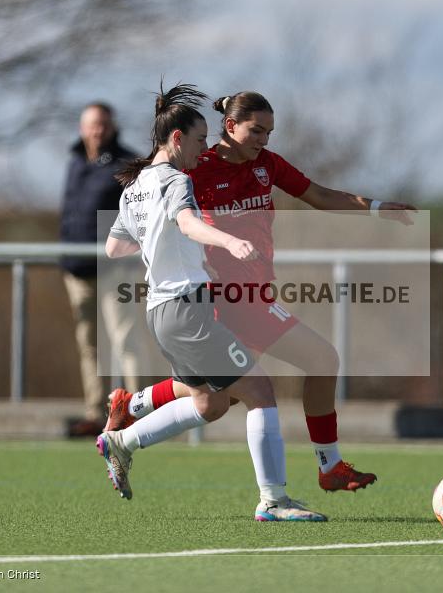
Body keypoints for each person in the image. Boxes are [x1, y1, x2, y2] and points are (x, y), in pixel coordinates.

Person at [105, 90, 417, 492]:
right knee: (316, 361)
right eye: (257, 130)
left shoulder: (266, 165)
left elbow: (319, 195)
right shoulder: (193, 169)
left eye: (269, 132)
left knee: (215, 401)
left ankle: (130, 412)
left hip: (250, 293)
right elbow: (170, 217)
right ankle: (319, 471)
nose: (263, 140)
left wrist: (374, 208)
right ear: (229, 127)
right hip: (226, 298)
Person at [97, 82, 327, 522]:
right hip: (186, 308)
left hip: (161, 312)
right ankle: (274, 501)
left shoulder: (134, 189)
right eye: (201, 140)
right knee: (259, 390)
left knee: (210, 404)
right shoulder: (175, 179)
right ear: (178, 138)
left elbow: (114, 248)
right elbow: (188, 223)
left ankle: (121, 442)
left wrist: (159, 246)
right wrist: (228, 241)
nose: (205, 148)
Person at [60, 101, 149, 436]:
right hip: (77, 271)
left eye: (102, 124)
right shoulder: (74, 162)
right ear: (82, 128)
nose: (96, 130)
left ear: (111, 127)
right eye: (91, 124)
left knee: (126, 341)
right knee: (89, 345)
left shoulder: (128, 163)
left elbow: (142, 214)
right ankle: (95, 412)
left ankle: (137, 412)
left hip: (116, 270)